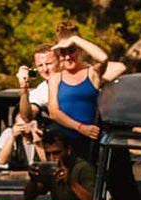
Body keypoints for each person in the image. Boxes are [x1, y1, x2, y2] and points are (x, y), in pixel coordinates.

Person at [47, 20, 126, 158]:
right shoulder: (55, 78)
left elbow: (103, 58)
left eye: (71, 51)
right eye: (63, 52)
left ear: (79, 50)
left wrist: (75, 39)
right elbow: (54, 112)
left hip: (90, 143)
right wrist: (80, 128)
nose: (67, 57)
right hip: (65, 145)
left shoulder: (92, 73)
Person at [16, 45, 57, 123]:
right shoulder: (42, 90)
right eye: (40, 65)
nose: (45, 69)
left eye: (49, 64)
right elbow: (28, 117)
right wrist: (24, 88)